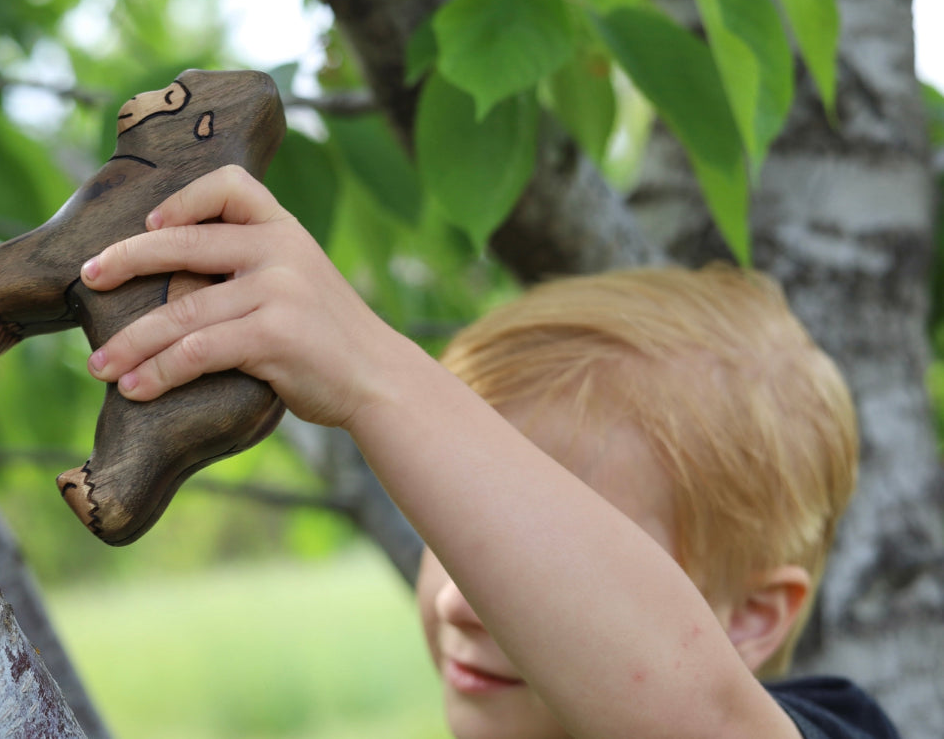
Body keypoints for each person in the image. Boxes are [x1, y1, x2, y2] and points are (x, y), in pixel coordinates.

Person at [79, 165, 901, 739]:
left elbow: (696, 720)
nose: (456, 602)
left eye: (539, 539)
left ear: (749, 618)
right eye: (457, 528)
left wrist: (373, 373)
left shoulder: (834, 726)